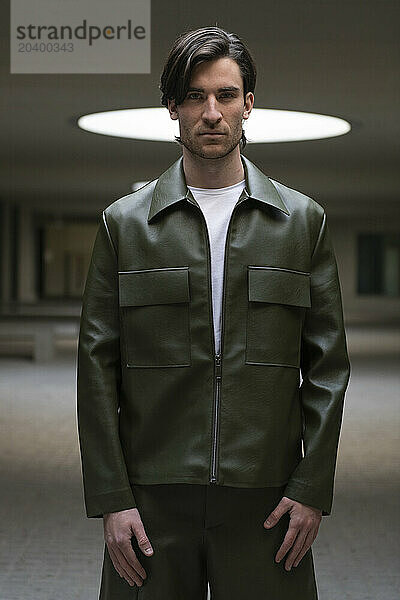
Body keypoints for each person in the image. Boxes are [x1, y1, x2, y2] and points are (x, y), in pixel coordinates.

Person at [77, 26, 351, 600]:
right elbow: (96, 371)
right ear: (171, 108)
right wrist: (113, 498)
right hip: (152, 500)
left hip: (268, 499)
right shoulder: (124, 226)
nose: (211, 112)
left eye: (226, 95)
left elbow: (327, 369)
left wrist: (311, 487)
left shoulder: (302, 224)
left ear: (249, 104)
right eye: (195, 96)